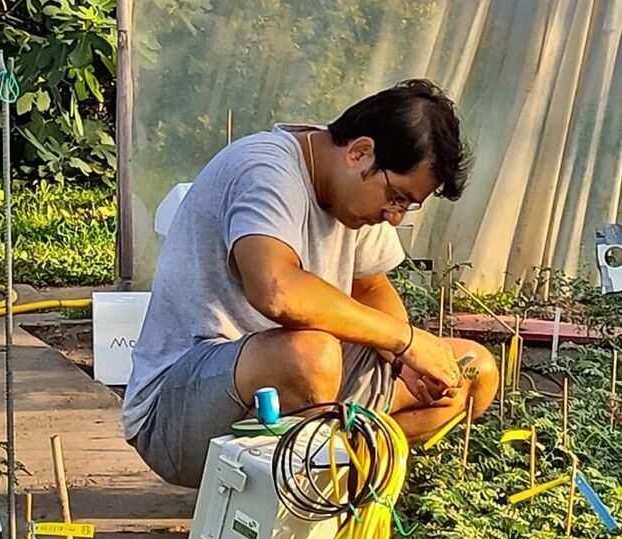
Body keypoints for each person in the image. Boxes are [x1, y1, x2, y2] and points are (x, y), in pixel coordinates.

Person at [124, 79, 499, 488]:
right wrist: (404, 340)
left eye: (407, 206)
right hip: (181, 414)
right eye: (397, 197)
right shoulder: (265, 170)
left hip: (306, 389)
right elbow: (276, 290)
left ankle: (330, 469)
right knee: (310, 354)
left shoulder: (357, 199)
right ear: (360, 152)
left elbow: (371, 288)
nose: (395, 216)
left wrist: (402, 363)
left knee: (469, 374)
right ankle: (301, 497)